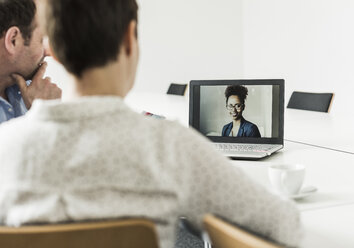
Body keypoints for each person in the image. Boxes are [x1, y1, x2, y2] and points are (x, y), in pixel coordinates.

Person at [0, 0, 301, 247]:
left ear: (57, 52)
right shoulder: (170, 146)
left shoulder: (5, 145)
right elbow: (284, 226)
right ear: (129, 39)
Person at [0, 0, 61, 124]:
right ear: (13, 40)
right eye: (41, 40)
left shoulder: (34, 92)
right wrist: (46, 116)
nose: (48, 53)